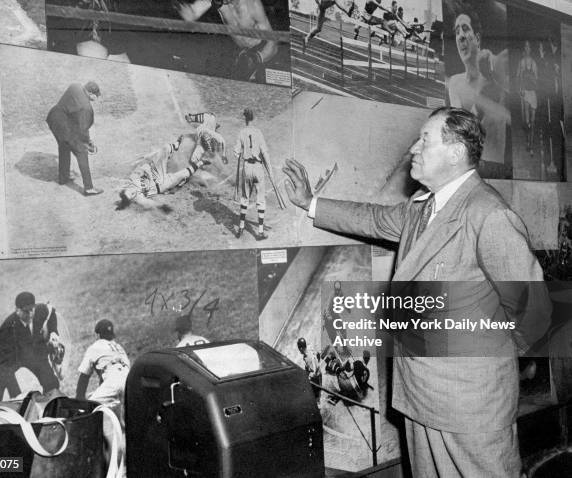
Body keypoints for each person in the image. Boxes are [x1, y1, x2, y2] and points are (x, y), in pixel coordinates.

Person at [283, 107, 551, 477]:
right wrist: (309, 203)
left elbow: (535, 315)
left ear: (456, 152)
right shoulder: (421, 209)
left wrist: (481, 365)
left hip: (469, 404)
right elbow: (372, 218)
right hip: (418, 396)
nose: (413, 148)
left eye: (425, 138)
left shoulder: (488, 215)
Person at [446, 9, 510, 172]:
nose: (460, 36)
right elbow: (462, 133)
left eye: (465, 29)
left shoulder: (497, 79)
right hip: (466, 168)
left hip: (494, 169)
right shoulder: (455, 82)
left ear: (478, 38)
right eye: (457, 31)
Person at [174, 0, 279, 82]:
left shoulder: (253, 5)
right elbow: (191, 14)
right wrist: (183, 10)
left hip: (262, 53)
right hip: (239, 52)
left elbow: (273, 42)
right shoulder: (219, 1)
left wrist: (257, 58)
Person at [0, 292, 61, 404]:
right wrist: (17, 396)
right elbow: (7, 368)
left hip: (33, 353)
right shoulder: (7, 327)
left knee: (52, 383)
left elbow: (51, 312)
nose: (30, 314)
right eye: (26, 311)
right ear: (17, 310)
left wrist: (53, 332)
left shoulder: (41, 310)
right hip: (8, 359)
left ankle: (52, 408)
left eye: (32, 309)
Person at [117, 135, 211, 210]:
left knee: (164, 150)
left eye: (127, 192)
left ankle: (176, 145)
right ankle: (201, 163)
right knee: (181, 175)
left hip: (155, 174)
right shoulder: (137, 197)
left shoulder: (129, 183)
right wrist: (160, 206)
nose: (131, 192)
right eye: (129, 196)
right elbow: (146, 202)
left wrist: (146, 166)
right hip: (161, 185)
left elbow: (141, 170)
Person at [46, 81, 103, 196]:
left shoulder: (75, 86)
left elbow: (72, 111)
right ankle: (89, 188)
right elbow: (82, 130)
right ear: (90, 93)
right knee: (82, 152)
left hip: (53, 119)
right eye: (96, 95)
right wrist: (88, 143)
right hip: (65, 126)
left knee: (64, 146)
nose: (96, 98)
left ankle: (64, 178)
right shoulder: (86, 108)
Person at [234, 108, 271, 240]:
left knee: (245, 197)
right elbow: (265, 153)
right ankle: (260, 232)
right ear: (253, 118)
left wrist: (239, 154)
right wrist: (270, 172)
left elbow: (236, 152)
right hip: (258, 168)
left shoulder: (242, 132)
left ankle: (241, 227)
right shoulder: (258, 132)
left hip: (247, 168)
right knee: (260, 199)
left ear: (245, 118)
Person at [76, 319, 130, 402]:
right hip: (129, 383)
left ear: (97, 335)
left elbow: (84, 377)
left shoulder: (95, 347)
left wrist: (79, 401)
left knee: (90, 408)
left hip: (113, 382)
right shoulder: (119, 347)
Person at [517, 40, 538, 155]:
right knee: (527, 120)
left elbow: (537, 80)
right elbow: (519, 78)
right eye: (525, 47)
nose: (527, 49)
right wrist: (520, 89)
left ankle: (531, 144)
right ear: (524, 49)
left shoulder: (534, 63)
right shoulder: (521, 62)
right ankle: (527, 142)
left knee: (533, 121)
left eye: (529, 47)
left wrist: (532, 77)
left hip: (533, 93)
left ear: (531, 49)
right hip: (525, 92)